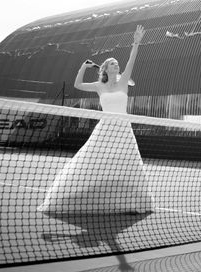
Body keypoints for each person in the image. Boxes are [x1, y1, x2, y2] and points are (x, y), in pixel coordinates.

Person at [38, 25, 154, 215]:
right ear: (106, 69)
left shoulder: (124, 81)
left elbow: (132, 60)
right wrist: (83, 67)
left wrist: (136, 42)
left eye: (117, 64)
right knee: (93, 162)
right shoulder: (98, 86)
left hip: (124, 129)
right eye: (113, 64)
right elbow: (77, 84)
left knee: (128, 165)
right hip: (105, 129)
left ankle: (131, 203)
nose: (117, 65)